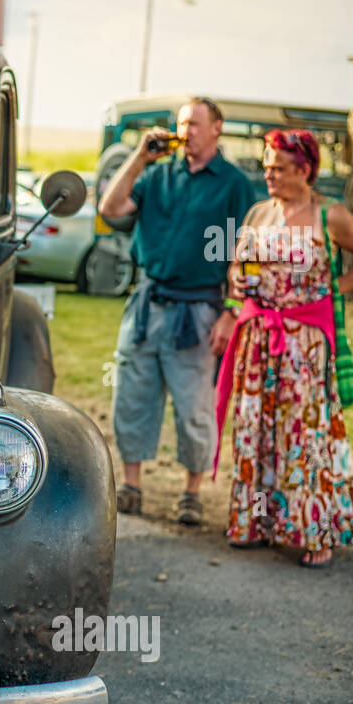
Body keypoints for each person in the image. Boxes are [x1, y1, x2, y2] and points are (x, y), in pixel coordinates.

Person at [214, 128, 353, 566]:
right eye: (267, 166)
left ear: (305, 170)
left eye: (278, 167)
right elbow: (240, 263)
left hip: (304, 347)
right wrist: (237, 283)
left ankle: (315, 532)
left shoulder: (330, 215)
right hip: (259, 341)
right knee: (254, 430)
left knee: (304, 435)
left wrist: (334, 289)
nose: (268, 174)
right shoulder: (259, 213)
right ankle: (254, 523)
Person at [99, 97, 255, 525]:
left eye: (197, 123)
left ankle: (191, 492)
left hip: (200, 310)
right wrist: (138, 156)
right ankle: (131, 485)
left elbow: (245, 253)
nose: (187, 130)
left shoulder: (234, 185)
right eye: (183, 122)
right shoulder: (156, 175)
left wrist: (231, 312)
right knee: (132, 397)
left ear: (217, 129)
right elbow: (110, 209)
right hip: (147, 305)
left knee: (194, 408)